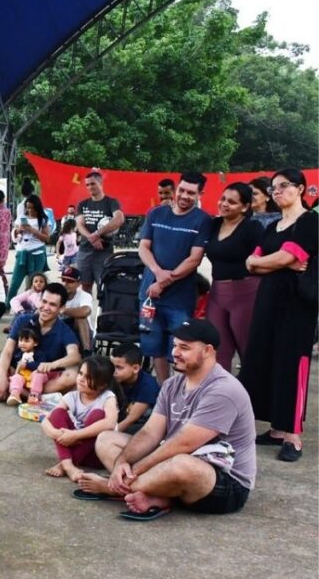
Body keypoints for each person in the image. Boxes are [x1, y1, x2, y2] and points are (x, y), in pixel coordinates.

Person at [78, 320, 256, 520]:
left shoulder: (224, 390)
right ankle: (153, 494)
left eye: (184, 347)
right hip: (175, 460)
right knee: (106, 439)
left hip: (223, 481)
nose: (175, 352)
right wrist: (122, 463)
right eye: (174, 345)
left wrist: (133, 471)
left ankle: (114, 488)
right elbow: (150, 432)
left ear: (207, 351)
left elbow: (184, 443)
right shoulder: (172, 384)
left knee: (182, 464)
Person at [240, 168, 318, 462]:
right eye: (273, 188)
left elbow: (289, 256)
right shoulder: (272, 227)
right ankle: (275, 428)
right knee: (264, 358)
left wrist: (267, 261)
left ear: (300, 189)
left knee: (291, 363)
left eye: (283, 186)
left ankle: (292, 435)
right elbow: (251, 263)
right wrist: (266, 261)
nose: (277, 192)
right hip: (267, 301)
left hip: (296, 305)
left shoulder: (310, 222)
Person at [138, 171, 212, 382]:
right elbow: (143, 248)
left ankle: (182, 393)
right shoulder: (156, 213)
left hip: (179, 299)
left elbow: (194, 259)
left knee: (181, 348)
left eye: (191, 192)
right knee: (155, 347)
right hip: (149, 295)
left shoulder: (203, 220)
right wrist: (158, 273)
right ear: (176, 188)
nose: (184, 196)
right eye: (182, 190)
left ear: (200, 194)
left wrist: (163, 281)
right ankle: (164, 391)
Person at [0, 282, 82, 400]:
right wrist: (2, 377)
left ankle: (17, 392)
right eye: (44, 302)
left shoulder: (64, 330)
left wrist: (52, 365)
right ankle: (32, 396)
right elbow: (7, 351)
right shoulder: (23, 319)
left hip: (42, 379)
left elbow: (75, 356)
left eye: (53, 304)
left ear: (62, 308)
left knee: (72, 377)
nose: (46, 308)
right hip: (16, 373)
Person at [203, 182, 263, 372]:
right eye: (223, 199)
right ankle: (222, 395)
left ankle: (254, 396)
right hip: (217, 293)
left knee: (248, 349)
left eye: (232, 202)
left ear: (245, 207)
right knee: (218, 349)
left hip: (246, 294)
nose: (224, 204)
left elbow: (262, 260)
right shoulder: (214, 224)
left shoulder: (252, 228)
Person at [41, 356, 119, 481]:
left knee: (98, 415)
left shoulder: (108, 397)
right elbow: (46, 420)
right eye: (81, 373)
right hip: (75, 447)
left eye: (88, 377)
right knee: (58, 413)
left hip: (97, 454)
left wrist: (76, 435)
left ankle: (64, 465)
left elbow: (110, 423)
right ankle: (68, 466)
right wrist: (58, 434)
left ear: (102, 385)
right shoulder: (72, 396)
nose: (81, 379)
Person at [75, 170, 125, 293]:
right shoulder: (83, 204)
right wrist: (92, 238)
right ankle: (86, 312)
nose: (90, 187)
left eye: (92, 184)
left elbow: (119, 219)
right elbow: (80, 225)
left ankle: (102, 313)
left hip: (104, 252)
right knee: (85, 286)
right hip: (85, 251)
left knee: (104, 287)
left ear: (100, 183)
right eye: (87, 185)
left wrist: (98, 233)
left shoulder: (111, 202)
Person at [7, 195, 51, 300]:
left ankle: (32, 304)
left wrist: (33, 230)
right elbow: (14, 236)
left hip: (37, 254)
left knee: (34, 283)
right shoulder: (21, 218)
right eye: (28, 207)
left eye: (32, 208)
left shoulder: (43, 220)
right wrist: (18, 231)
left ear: (37, 207)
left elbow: (47, 239)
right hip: (22, 253)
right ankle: (7, 304)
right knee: (15, 282)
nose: (29, 210)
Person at [110, 342, 160, 435]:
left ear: (136, 368)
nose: (113, 371)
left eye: (119, 368)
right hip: (121, 419)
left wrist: (108, 434)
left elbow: (131, 419)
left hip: (142, 425)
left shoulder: (148, 385)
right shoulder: (116, 379)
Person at [6, 327, 51, 407]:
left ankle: (34, 395)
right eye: (21, 340)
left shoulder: (39, 354)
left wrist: (27, 365)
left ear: (35, 343)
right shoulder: (17, 354)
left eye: (27, 341)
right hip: (23, 378)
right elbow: (13, 367)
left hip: (35, 376)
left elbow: (41, 365)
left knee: (38, 375)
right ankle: (15, 395)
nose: (22, 343)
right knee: (16, 378)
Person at [59, 266, 96, 353]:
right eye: (63, 280)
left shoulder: (85, 295)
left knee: (81, 318)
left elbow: (86, 311)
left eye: (70, 281)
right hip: (60, 327)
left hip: (80, 330)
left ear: (79, 284)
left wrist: (64, 310)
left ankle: (87, 351)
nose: (65, 284)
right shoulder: (57, 293)